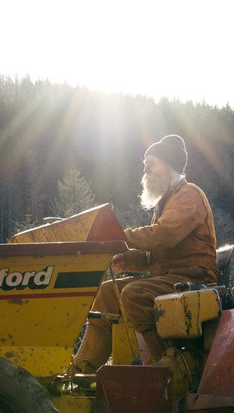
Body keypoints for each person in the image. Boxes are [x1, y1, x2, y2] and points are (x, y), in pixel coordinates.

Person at [72, 134, 218, 372]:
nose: (146, 170)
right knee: (109, 292)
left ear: (169, 166)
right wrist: (127, 258)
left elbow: (164, 236)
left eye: (152, 163)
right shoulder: (165, 202)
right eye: (144, 165)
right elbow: (156, 255)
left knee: (134, 293)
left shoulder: (189, 195)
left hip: (193, 279)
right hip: (169, 277)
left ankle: (161, 366)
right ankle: (82, 369)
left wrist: (120, 236)